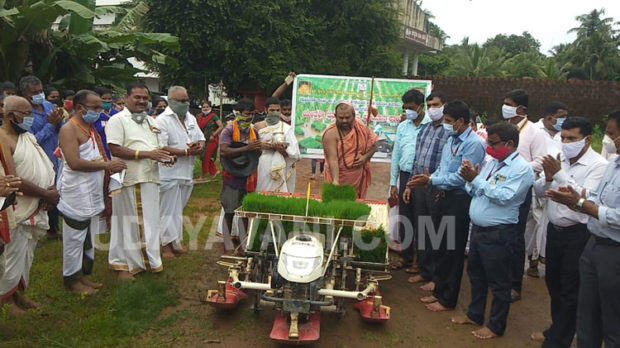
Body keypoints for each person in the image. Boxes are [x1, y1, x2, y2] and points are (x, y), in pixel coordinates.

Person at [529, 117, 607, 346]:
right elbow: (540, 190)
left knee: (570, 289)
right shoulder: (559, 159)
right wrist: (550, 176)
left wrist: (560, 175)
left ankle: (558, 339)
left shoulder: (599, 166)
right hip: (555, 230)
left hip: (579, 233)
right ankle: (557, 327)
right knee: (553, 283)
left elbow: (588, 197)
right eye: (563, 137)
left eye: (571, 138)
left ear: (587, 139)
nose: (565, 142)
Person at [452, 122, 534, 340]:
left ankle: (496, 326)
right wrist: (471, 179)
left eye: (493, 142)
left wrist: (476, 180)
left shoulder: (521, 169)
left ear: (509, 144)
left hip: (499, 233)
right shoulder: (493, 162)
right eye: (488, 141)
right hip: (479, 230)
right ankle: (475, 314)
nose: (488, 145)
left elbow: (505, 196)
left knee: (499, 282)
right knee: (476, 275)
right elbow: (476, 190)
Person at [546, 110, 620, 348]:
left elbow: (608, 212)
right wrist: (575, 197)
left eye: (612, 134)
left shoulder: (598, 164)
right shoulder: (614, 164)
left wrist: (577, 202)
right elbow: (594, 195)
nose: (609, 140)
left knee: (611, 317)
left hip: (610, 248)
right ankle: (561, 332)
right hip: (594, 244)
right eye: (608, 134)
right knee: (586, 312)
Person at [406, 100, 486, 312]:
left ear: (461, 121)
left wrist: (431, 181)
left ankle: (448, 299)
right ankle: (439, 291)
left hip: (458, 199)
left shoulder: (474, 143)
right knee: (440, 246)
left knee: (452, 250)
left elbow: (463, 178)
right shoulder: (452, 139)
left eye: (450, 121)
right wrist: (432, 178)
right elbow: (443, 168)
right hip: (442, 195)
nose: (447, 125)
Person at [57, 90, 127, 295]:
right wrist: (108, 165)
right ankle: (71, 280)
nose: (100, 111)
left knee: (87, 235)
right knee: (74, 238)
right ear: (80, 108)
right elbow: (74, 163)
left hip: (91, 190)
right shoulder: (69, 129)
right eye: (95, 107)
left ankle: (83, 275)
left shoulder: (90, 128)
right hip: (76, 193)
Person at [105, 82, 174, 281]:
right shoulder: (118, 120)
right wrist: (147, 154)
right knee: (132, 222)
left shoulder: (150, 121)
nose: (142, 101)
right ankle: (129, 264)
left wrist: (164, 157)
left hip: (150, 176)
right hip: (132, 178)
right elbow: (115, 149)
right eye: (137, 97)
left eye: (145, 98)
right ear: (126, 98)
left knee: (147, 221)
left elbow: (157, 148)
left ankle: (136, 262)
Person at [0, 96, 58, 313]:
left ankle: (19, 295)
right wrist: (45, 193)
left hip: (38, 203)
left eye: (31, 113)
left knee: (27, 254)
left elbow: (42, 163)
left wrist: (49, 191)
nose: (30, 118)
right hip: (17, 208)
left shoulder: (28, 137)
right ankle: (6, 299)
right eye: (25, 113)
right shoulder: (2, 139)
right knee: (12, 255)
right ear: (9, 115)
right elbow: (12, 179)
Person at [402, 91, 450, 291]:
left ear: (444, 105)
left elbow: (448, 163)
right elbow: (417, 160)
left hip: (437, 187)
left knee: (436, 232)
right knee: (422, 229)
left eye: (435, 105)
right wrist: (409, 185)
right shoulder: (425, 130)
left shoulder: (449, 131)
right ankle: (424, 270)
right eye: (430, 105)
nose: (432, 109)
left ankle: (436, 276)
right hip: (419, 184)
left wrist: (434, 181)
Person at [501, 89, 546, 302]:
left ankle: (514, 286)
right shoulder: (504, 129)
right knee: (501, 234)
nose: (505, 106)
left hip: (520, 190)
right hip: (500, 189)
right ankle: (500, 279)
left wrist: (516, 168)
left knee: (516, 238)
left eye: (508, 103)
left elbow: (541, 160)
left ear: (521, 109)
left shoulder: (534, 132)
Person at [155, 86, 205, 259]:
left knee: (178, 210)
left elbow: (201, 138)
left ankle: (174, 242)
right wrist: (185, 152)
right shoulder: (162, 120)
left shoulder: (190, 117)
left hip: (186, 172)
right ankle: (165, 246)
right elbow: (161, 146)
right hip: (169, 172)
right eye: (181, 101)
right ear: (170, 101)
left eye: (186, 100)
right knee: (167, 211)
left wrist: (198, 146)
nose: (185, 103)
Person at [524, 101, 567, 278]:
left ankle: (546, 260)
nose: (564, 120)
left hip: (557, 184)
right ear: (549, 117)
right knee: (531, 226)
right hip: (537, 184)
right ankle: (531, 261)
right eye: (561, 116)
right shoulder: (533, 130)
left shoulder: (563, 136)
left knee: (548, 225)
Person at [388, 88, 430, 272]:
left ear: (421, 106)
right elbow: (396, 155)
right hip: (405, 176)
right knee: (405, 217)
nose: (408, 111)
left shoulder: (430, 126)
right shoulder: (403, 126)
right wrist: (393, 183)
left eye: (411, 108)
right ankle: (405, 257)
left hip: (422, 178)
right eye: (405, 108)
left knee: (421, 217)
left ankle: (420, 262)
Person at [20, 75, 64, 241]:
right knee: (39, 194)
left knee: (54, 192)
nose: (39, 94)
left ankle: (53, 229)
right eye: (35, 92)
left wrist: (59, 121)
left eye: (40, 91)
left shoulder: (47, 106)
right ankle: (35, 228)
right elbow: (32, 140)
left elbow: (62, 129)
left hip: (55, 158)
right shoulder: (24, 114)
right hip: (37, 158)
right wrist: (50, 125)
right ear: (25, 94)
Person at [219, 98, 261, 252]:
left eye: (251, 114)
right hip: (232, 176)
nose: (249, 117)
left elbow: (258, 153)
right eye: (246, 114)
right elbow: (223, 151)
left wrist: (257, 149)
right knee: (229, 211)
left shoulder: (253, 131)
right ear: (238, 114)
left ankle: (244, 242)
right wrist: (246, 148)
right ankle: (227, 243)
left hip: (248, 175)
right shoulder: (229, 130)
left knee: (245, 212)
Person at [322, 102, 377, 199]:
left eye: (347, 118)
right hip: (338, 176)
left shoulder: (361, 128)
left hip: (357, 178)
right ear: (335, 116)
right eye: (341, 118)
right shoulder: (330, 134)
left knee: (354, 205)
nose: (344, 121)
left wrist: (365, 157)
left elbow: (375, 145)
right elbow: (332, 159)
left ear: (354, 116)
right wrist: (335, 180)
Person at [254, 97, 301, 193]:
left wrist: (280, 148)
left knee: (278, 194)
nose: (275, 113)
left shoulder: (286, 128)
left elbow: (295, 153)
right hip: (261, 163)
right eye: (272, 110)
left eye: (277, 110)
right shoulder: (257, 126)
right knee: (261, 191)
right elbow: (249, 146)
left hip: (280, 164)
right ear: (265, 110)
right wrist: (261, 145)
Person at [197, 101, 224, 182]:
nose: (205, 108)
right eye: (204, 107)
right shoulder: (200, 117)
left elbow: (221, 126)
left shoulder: (214, 117)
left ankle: (203, 176)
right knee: (204, 157)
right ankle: (214, 171)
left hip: (211, 140)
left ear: (210, 108)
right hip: (202, 139)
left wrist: (214, 135)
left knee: (205, 157)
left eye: (207, 107)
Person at [93, 87, 119, 159]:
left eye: (109, 99)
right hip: (99, 149)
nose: (107, 101)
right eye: (104, 99)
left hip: (116, 148)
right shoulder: (94, 116)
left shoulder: (117, 115)